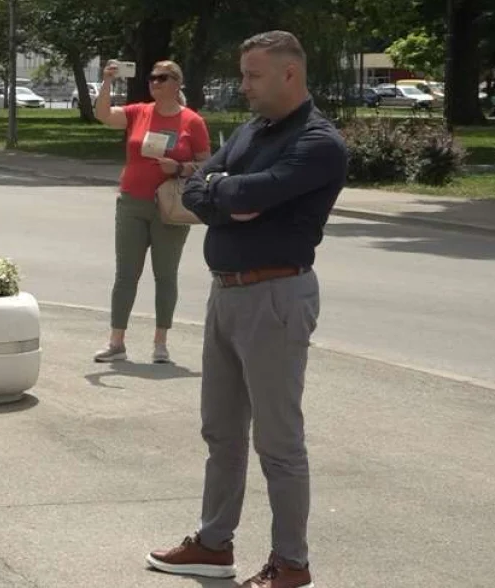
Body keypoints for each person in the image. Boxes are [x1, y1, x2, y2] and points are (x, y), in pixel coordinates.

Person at [146, 31, 347, 588]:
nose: (244, 86)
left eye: (253, 75)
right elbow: (197, 189)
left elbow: (244, 193)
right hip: (227, 293)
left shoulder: (319, 142)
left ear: (289, 74)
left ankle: (291, 564)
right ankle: (214, 544)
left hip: (275, 298)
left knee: (278, 442)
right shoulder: (251, 130)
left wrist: (226, 189)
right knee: (222, 431)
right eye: (243, 74)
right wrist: (224, 190)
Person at [92, 59, 210, 364]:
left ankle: (160, 342)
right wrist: (107, 81)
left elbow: (207, 165)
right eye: (152, 78)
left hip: (170, 206)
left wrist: (180, 167)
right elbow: (103, 115)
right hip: (132, 202)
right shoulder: (139, 112)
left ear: (177, 83)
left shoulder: (192, 122)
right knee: (126, 274)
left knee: (165, 275)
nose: (154, 82)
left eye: (162, 78)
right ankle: (116, 342)